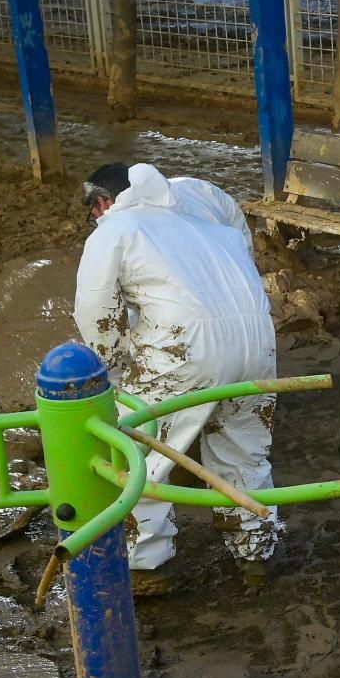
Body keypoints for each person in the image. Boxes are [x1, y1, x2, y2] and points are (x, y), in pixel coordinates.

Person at [76, 163, 281, 595]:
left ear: (102, 202)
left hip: (184, 348)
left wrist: (110, 376)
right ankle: (255, 553)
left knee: (140, 452)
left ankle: (146, 566)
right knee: (245, 449)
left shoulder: (114, 231)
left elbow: (98, 314)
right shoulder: (204, 221)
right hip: (257, 344)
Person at [82, 162, 253, 252]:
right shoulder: (189, 187)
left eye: (97, 218)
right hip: (238, 274)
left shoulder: (132, 229)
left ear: (104, 202)